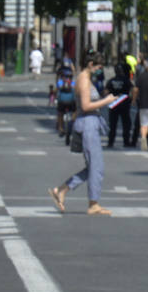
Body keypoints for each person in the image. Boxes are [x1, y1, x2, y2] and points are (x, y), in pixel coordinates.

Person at [49, 50, 120, 216]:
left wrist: (105, 97)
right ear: (90, 64)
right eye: (99, 66)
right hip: (88, 124)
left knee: (94, 167)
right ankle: (92, 203)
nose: (100, 70)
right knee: (96, 166)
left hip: (90, 123)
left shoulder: (86, 78)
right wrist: (106, 101)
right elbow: (86, 105)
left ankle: (62, 190)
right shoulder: (83, 79)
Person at [104, 62, 134, 148]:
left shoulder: (111, 80)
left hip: (113, 103)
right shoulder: (126, 80)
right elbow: (132, 89)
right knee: (126, 124)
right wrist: (132, 99)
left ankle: (111, 142)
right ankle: (126, 141)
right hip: (124, 103)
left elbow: (106, 91)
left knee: (112, 124)